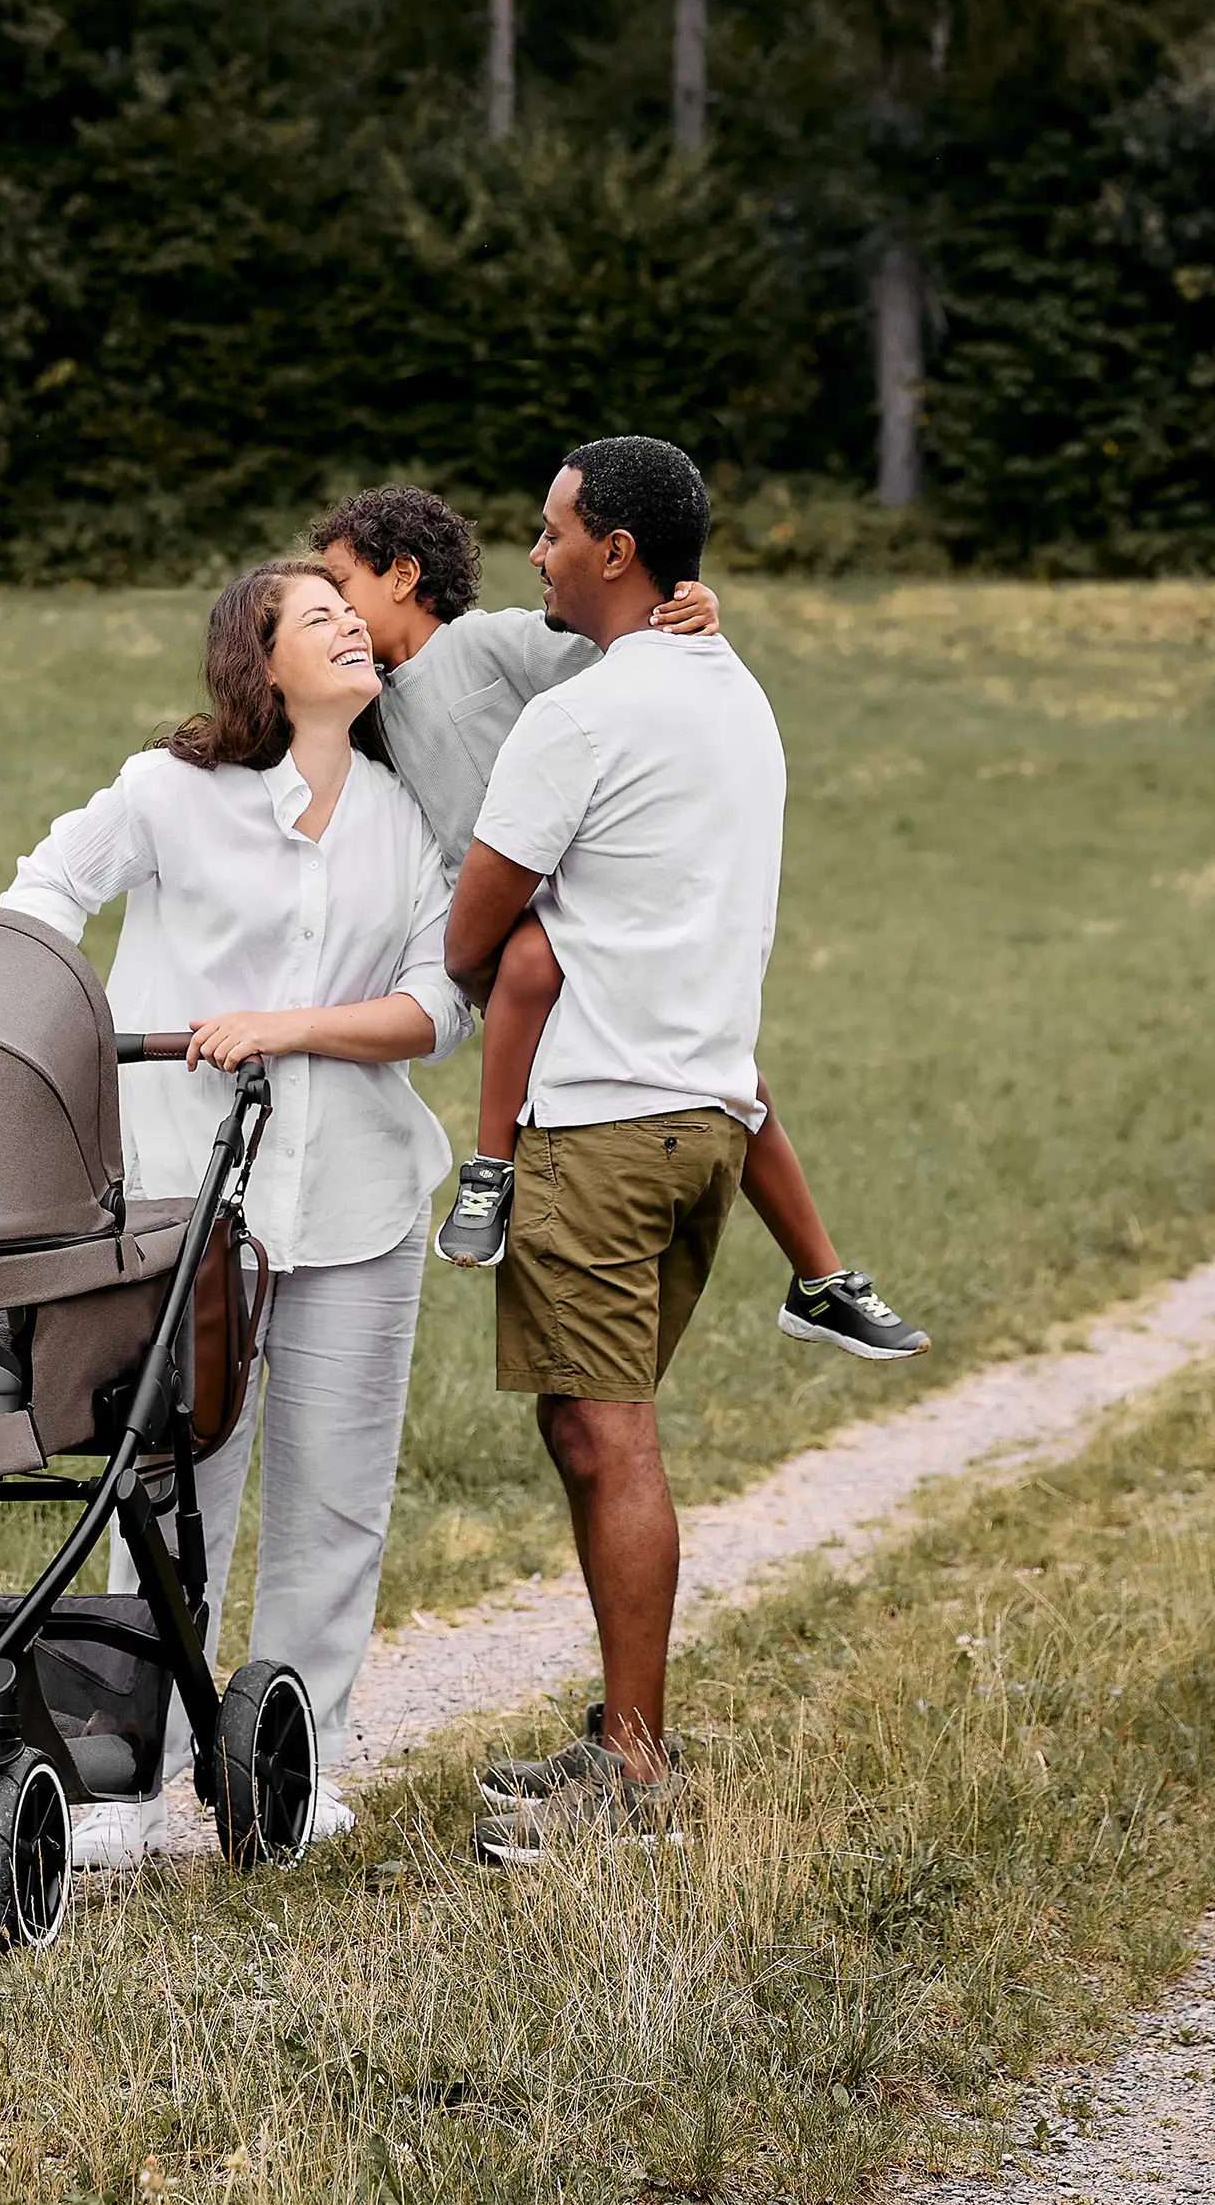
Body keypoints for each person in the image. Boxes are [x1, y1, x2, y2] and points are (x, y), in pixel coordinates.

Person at [0, 558, 468, 1866]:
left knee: (336, 1501)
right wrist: (72, 1035)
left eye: (349, 614)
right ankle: (124, 1782)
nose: (345, 629)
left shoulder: (408, 817)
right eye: (313, 618)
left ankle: (287, 1771)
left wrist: (287, 1028)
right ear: (260, 665)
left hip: (358, 1206)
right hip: (185, 1213)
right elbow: (46, 889)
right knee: (166, 1490)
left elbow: (440, 1007)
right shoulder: (170, 793)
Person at [312, 485, 926, 1363]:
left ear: (405, 576)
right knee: (566, 997)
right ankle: (501, 1165)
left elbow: (620, 653)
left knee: (731, 1081)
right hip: (483, 912)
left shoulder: (486, 644)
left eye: (340, 587)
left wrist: (693, 610)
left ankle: (816, 1276)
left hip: (557, 900)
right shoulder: (373, 701)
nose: (333, 611)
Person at [439, 437, 786, 1862]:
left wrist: (501, 948)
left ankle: (634, 1774)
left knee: (604, 1430)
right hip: (706, 1116)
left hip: (603, 1118)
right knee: (592, 1424)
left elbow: (473, 931)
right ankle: (620, 1738)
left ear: (619, 552)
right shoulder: (731, 687)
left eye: (552, 532)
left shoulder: (581, 720)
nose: (536, 554)